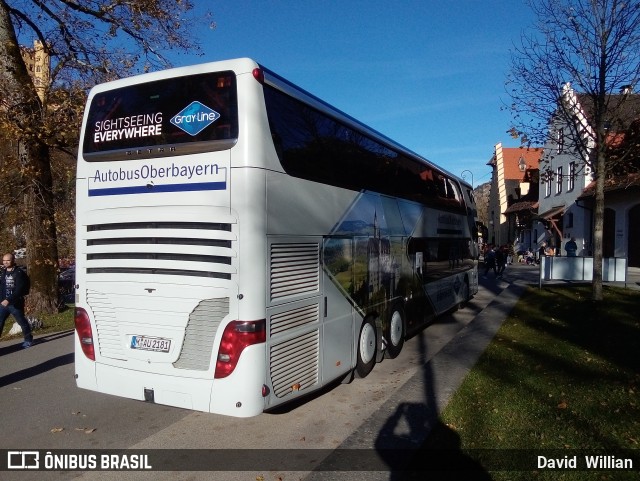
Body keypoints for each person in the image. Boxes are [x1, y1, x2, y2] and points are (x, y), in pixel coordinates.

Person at [0, 253, 33, 348]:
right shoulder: (3, 272)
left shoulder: (19, 273)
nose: (5, 262)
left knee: (21, 322)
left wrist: (9, 299)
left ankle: (28, 339)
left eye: (8, 260)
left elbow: (20, 289)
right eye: (4, 260)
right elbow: (2, 287)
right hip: (3, 304)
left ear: (13, 260)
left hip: (15, 303)